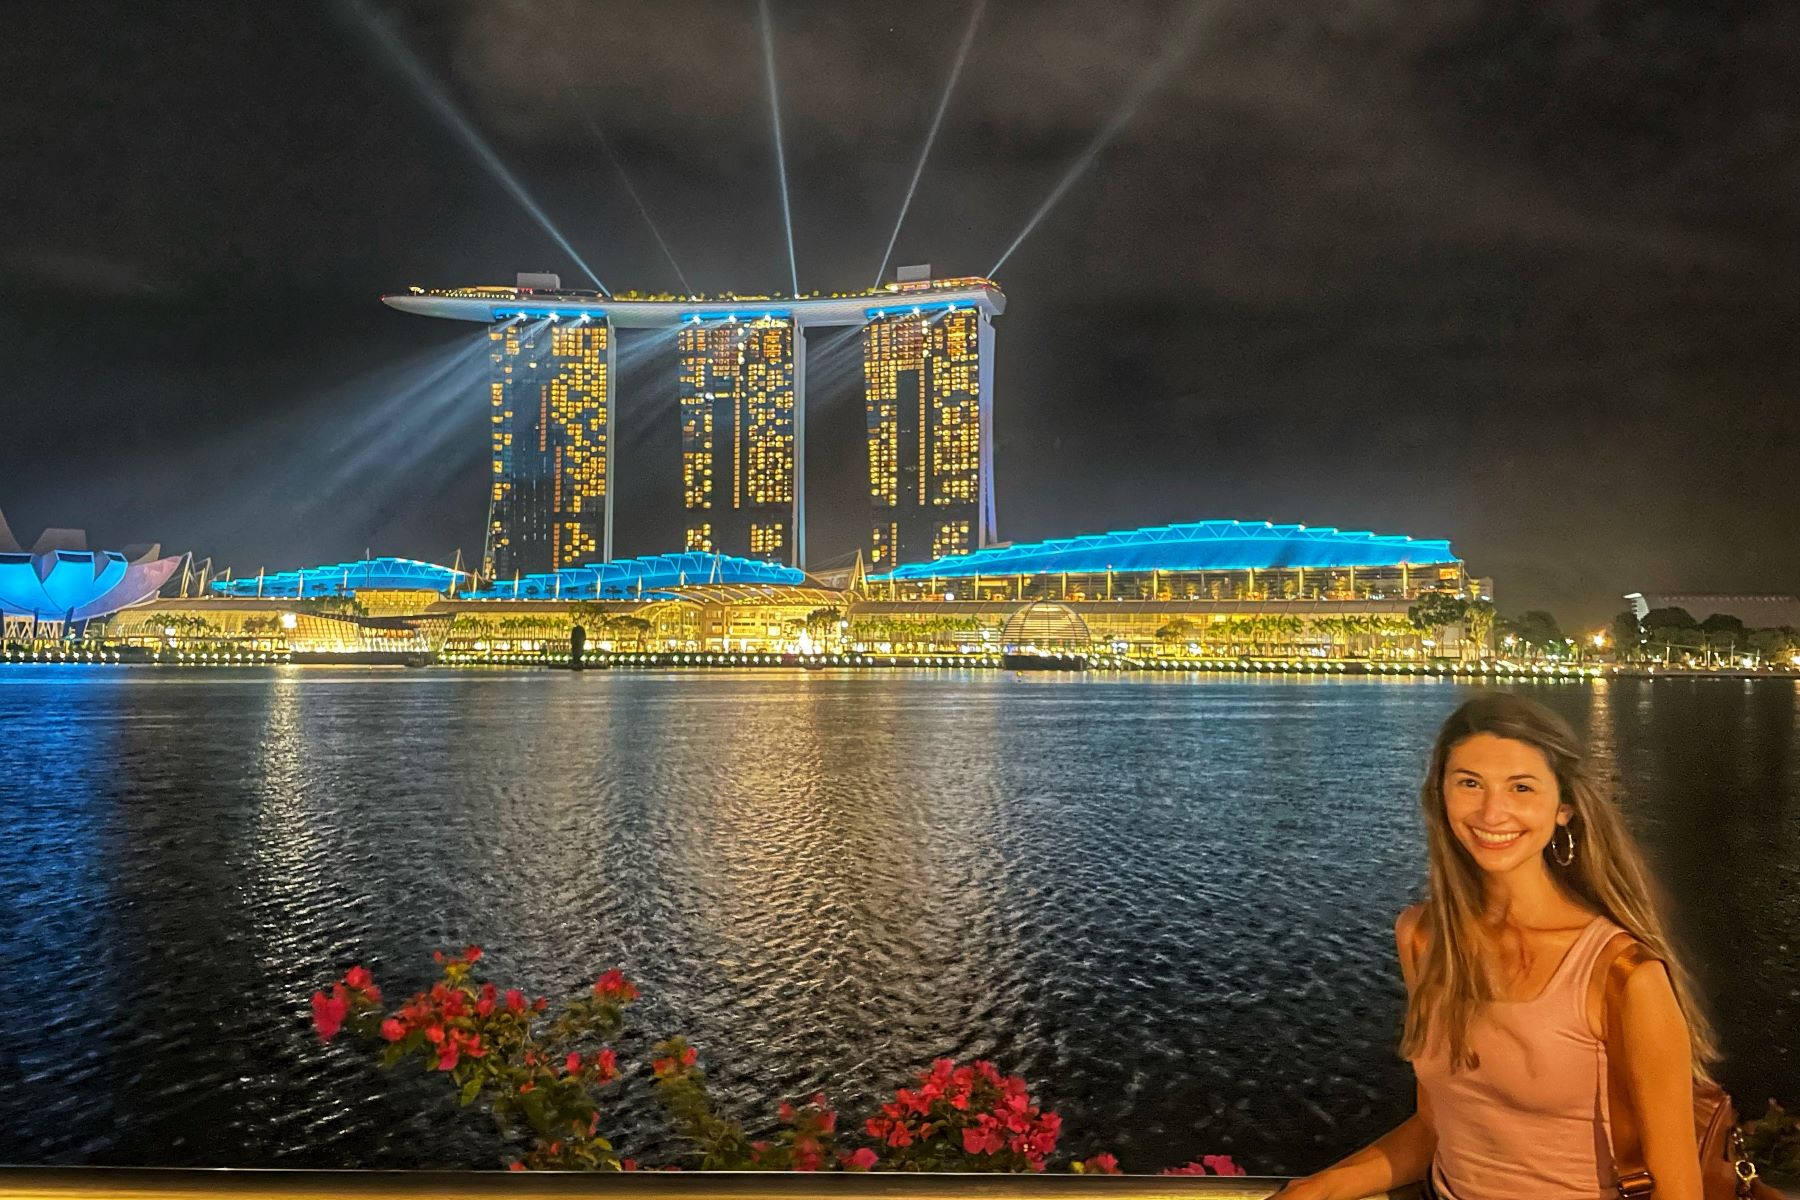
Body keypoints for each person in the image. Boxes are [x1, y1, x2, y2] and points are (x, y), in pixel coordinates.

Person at [1271, 693, 1717, 1200]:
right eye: (1469, 783)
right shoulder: (1423, 937)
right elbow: (1436, 1128)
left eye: (1521, 787)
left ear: (1564, 808)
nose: (1492, 811)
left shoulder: (1621, 975)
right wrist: (1313, 1190)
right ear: (1440, 794)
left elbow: (1678, 1189)